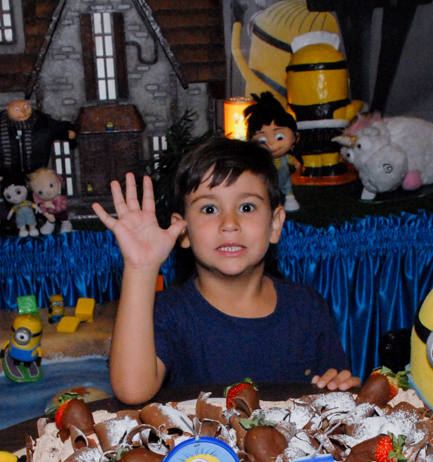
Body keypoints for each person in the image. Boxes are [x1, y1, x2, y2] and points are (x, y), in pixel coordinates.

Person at [94, 137, 358, 404]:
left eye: (247, 207)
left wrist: (339, 386)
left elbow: (334, 389)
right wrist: (140, 268)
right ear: (183, 230)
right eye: (209, 209)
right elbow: (132, 391)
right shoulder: (167, 312)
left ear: (275, 224)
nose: (229, 223)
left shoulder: (307, 307)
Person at [246, 92, 300, 212]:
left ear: (294, 136)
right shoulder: (261, 159)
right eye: (263, 140)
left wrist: (297, 164)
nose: (271, 144)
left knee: (287, 186)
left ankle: (289, 198)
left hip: (285, 178)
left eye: (279, 137)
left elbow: (294, 162)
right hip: (268, 183)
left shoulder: (287, 157)